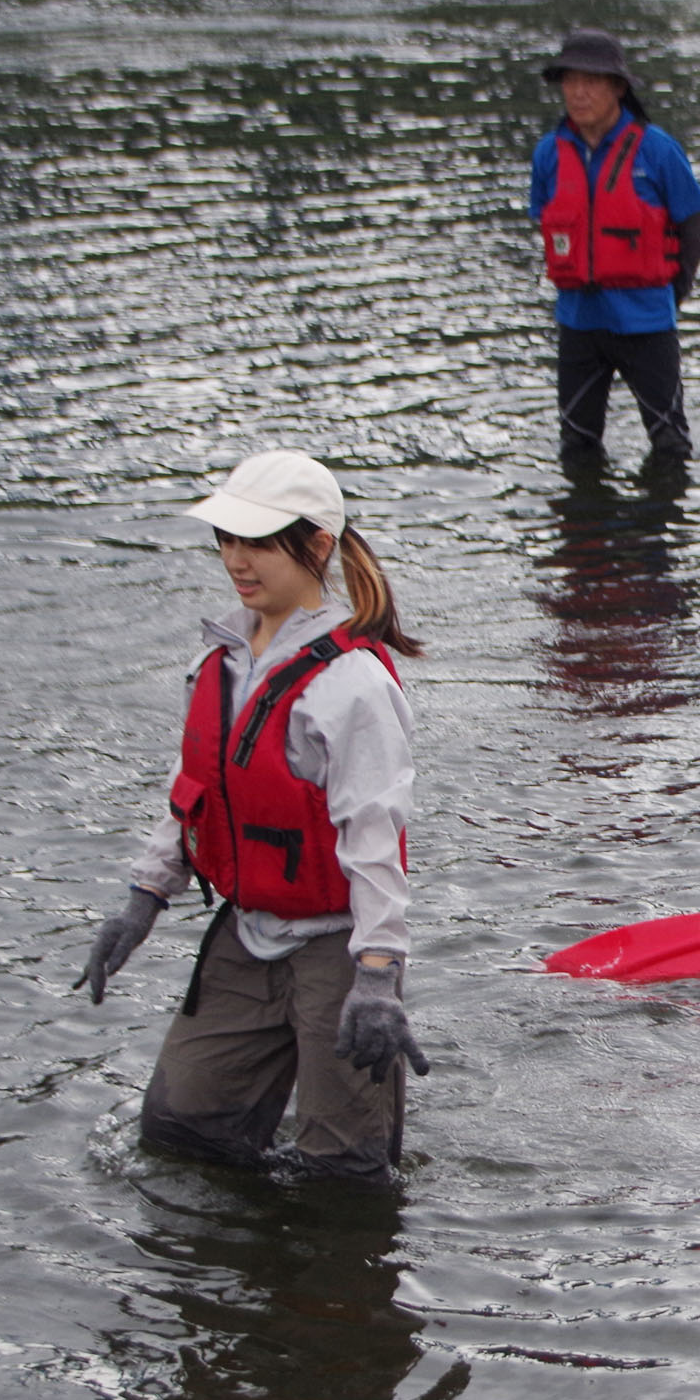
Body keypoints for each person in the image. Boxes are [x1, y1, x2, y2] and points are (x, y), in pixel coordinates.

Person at [80, 449, 430, 1185]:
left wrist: (375, 977)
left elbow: (375, 842)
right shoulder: (222, 659)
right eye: (226, 539)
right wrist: (142, 901)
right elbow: (196, 791)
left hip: (339, 947)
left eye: (259, 542)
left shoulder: (353, 684)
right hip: (247, 932)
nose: (237, 559)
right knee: (181, 1132)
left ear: (317, 546)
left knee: (344, 1175)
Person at [528, 27, 700, 468]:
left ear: (617, 88)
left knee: (670, 445)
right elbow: (544, 220)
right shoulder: (549, 153)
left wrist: (675, 291)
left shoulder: (657, 150)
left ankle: (660, 531)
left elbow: (694, 224)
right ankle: (583, 532)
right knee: (576, 446)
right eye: (570, 81)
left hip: (645, 319)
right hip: (578, 321)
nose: (578, 92)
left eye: (590, 82)